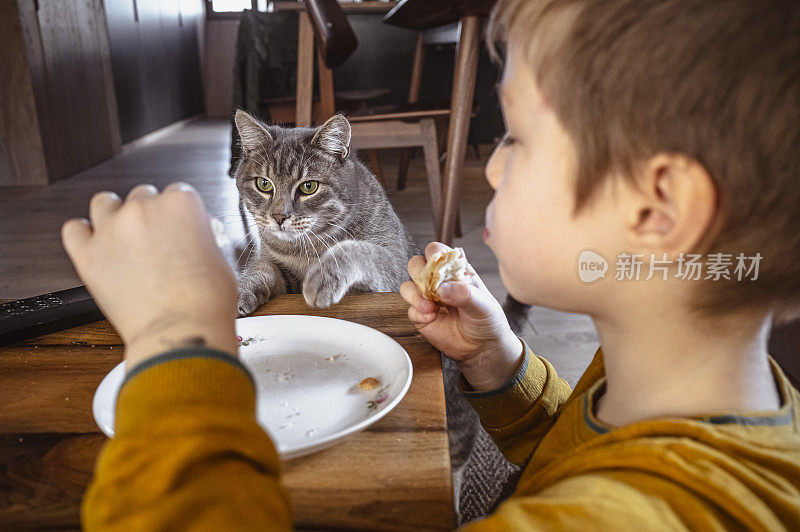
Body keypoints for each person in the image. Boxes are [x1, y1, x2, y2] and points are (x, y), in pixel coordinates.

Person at [68, 0, 800, 529]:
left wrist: (174, 337)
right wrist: (504, 371)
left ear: (658, 208)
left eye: (514, 138)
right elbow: (580, 450)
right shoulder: (680, 390)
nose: (490, 169)